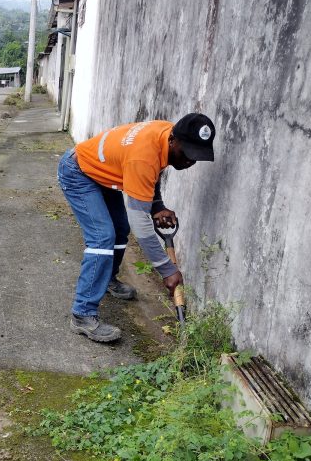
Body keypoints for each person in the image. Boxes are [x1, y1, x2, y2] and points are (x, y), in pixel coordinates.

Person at [57, 113, 216, 343]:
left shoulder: (165, 134)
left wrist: (157, 206)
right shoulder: (144, 155)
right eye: (188, 154)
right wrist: (167, 270)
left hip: (104, 172)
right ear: (173, 141)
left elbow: (154, 171)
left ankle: (108, 278)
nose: (190, 162)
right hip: (78, 173)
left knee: (120, 230)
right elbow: (141, 224)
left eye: (196, 157)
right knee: (102, 237)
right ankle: (82, 313)